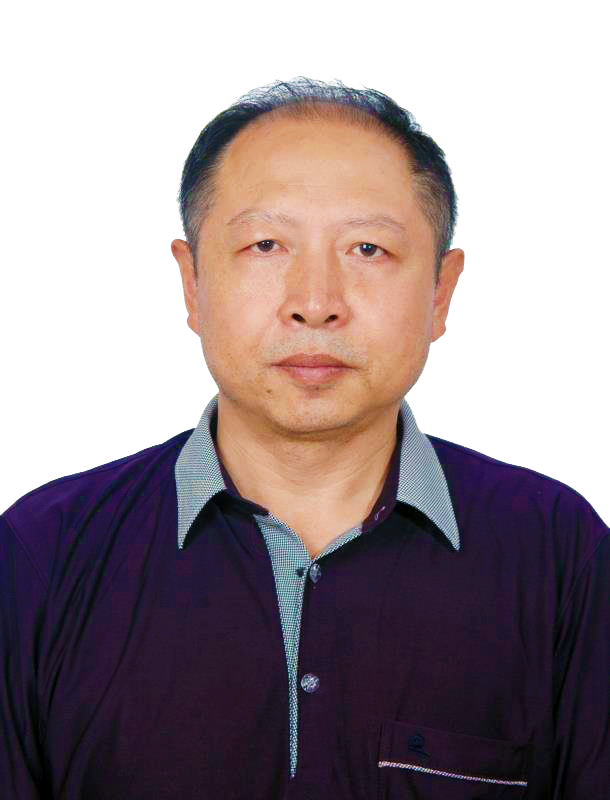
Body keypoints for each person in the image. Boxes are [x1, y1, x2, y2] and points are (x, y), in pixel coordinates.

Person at [1, 76, 608, 800]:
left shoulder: (561, 554)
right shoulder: (42, 555)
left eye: (368, 249)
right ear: (192, 283)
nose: (315, 303)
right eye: (265, 244)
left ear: (441, 293)